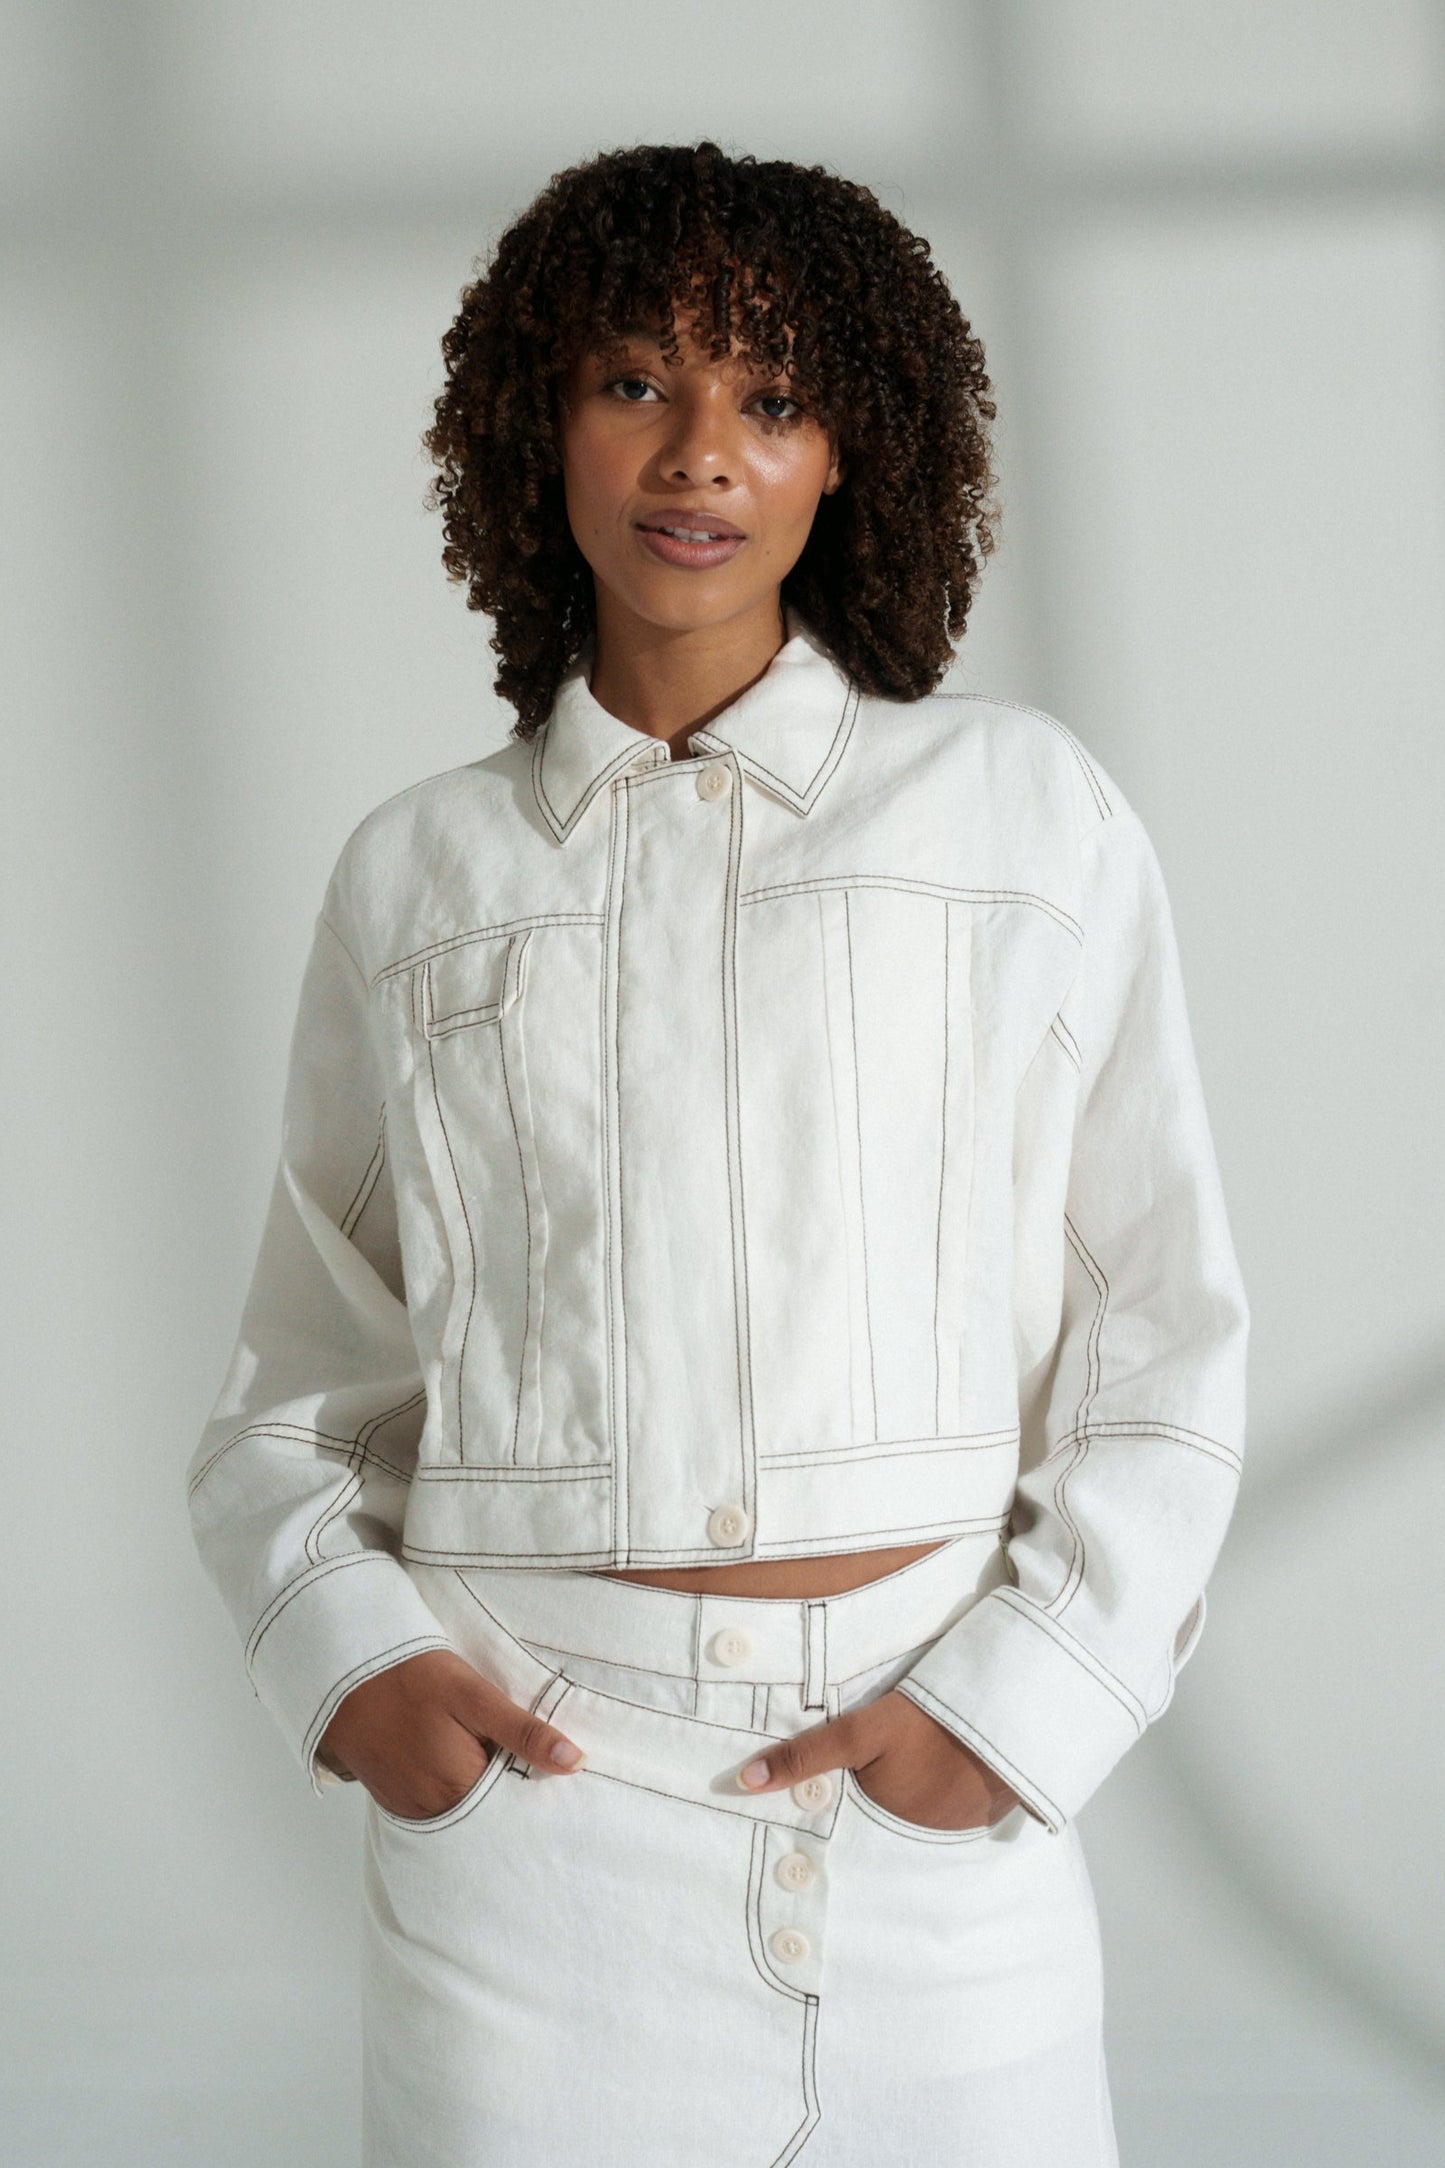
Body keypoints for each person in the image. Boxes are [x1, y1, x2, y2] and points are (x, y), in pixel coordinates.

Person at [185, 141, 1249, 2167]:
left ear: (853, 453)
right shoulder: (419, 873)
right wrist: (357, 1670)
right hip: (534, 1825)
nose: (699, 454)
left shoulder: (1026, 818)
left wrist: (1020, 1704)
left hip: (931, 1789)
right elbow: (302, 1379)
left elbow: (1164, 1332)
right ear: (536, 423)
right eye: (634, 382)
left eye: (771, 399)